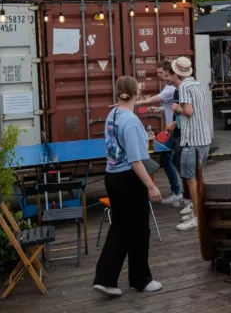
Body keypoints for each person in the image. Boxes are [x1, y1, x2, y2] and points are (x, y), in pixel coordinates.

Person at [93, 76, 162, 297]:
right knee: (140, 230)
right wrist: (151, 186)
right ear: (136, 94)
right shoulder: (131, 121)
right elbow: (135, 160)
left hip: (112, 177)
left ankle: (105, 278)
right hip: (129, 180)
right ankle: (140, 279)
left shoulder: (112, 115)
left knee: (121, 228)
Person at [167, 57, 212, 231]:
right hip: (204, 137)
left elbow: (188, 111)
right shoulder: (198, 84)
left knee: (191, 178)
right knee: (198, 177)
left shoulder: (184, 87)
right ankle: (198, 210)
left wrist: (176, 108)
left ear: (177, 72)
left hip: (191, 139)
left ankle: (197, 217)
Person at [135, 61, 183, 205]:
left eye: (161, 73)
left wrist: (130, 103)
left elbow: (150, 100)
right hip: (172, 129)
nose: (158, 75)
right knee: (174, 161)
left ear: (170, 73)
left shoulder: (171, 89)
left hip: (175, 130)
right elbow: (170, 107)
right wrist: (158, 110)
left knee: (168, 160)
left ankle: (178, 192)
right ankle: (182, 191)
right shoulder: (169, 88)